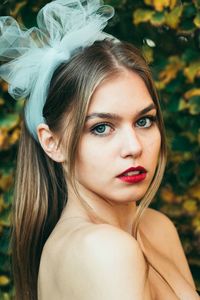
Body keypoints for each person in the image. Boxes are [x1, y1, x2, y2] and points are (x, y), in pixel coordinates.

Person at [0, 0, 199, 299]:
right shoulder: (104, 250)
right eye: (101, 128)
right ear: (52, 143)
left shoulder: (157, 227)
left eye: (144, 121)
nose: (134, 147)